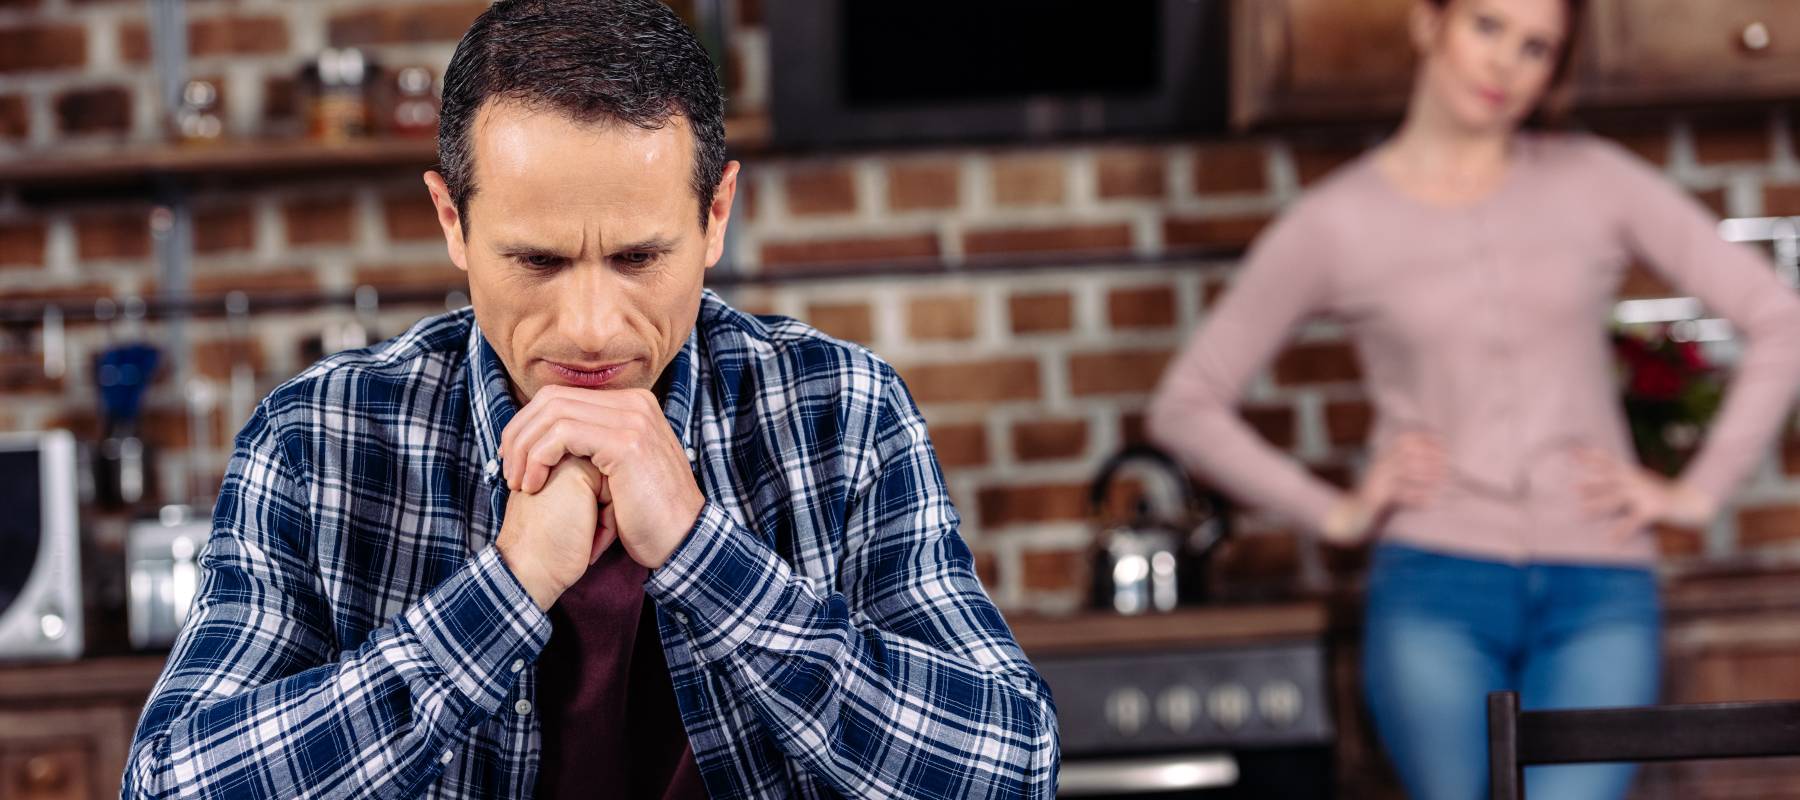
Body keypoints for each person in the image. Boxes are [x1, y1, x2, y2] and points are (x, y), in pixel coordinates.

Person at [122, 1, 1059, 797]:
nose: (593, 329)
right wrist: (509, 585)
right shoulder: (318, 438)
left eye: (640, 258)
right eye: (537, 260)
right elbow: (170, 782)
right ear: (453, 221)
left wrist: (703, 553)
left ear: (717, 215)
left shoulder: (841, 411)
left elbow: (1013, 764)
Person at [1147, 0, 1800, 797]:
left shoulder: (1594, 180)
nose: (1505, 64)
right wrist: (1339, 514)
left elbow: (1779, 317)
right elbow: (1187, 404)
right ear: (1430, 24)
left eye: (1536, 48)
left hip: (1600, 587)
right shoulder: (1336, 223)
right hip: (1433, 590)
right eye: (1486, 27)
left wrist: (1698, 494)